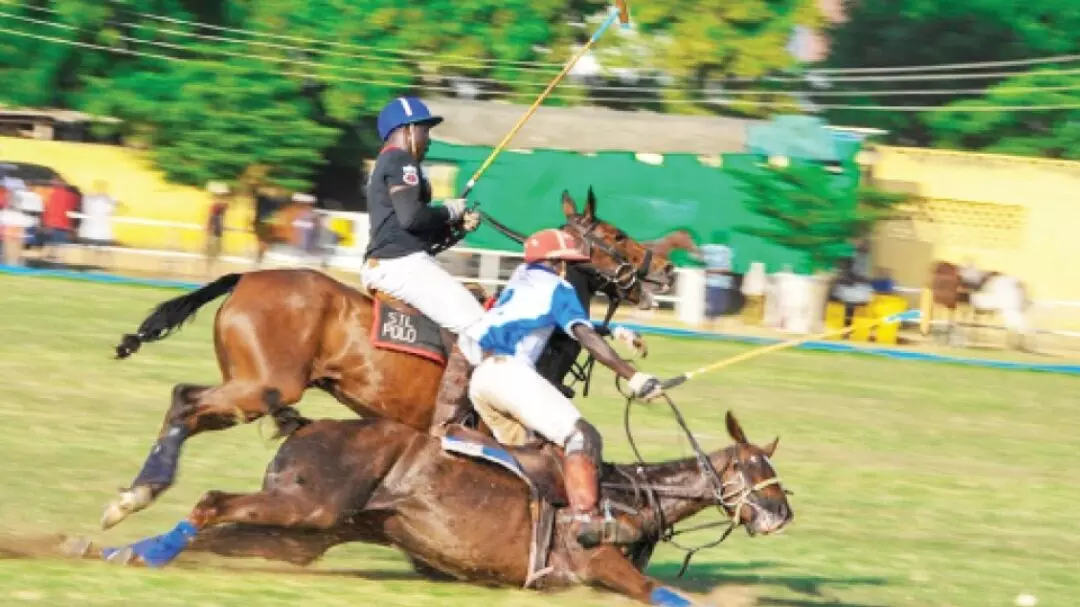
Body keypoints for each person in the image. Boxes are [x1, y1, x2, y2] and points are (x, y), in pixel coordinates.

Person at [464, 228, 664, 548]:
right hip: (511, 378)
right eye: (566, 262)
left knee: (533, 461)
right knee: (582, 436)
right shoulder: (560, 289)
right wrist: (633, 376)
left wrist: (615, 330)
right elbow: (581, 333)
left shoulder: (520, 277)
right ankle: (587, 519)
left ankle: (518, 530)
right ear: (556, 263)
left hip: (481, 381)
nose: (567, 269)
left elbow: (549, 318)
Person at [361, 96, 484, 431]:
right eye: (426, 130)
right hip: (401, 265)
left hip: (393, 261)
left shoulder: (387, 163)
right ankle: (458, 415)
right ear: (409, 130)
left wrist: (455, 227)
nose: (429, 139)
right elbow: (413, 217)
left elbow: (415, 231)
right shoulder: (401, 161)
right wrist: (450, 210)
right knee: (481, 327)